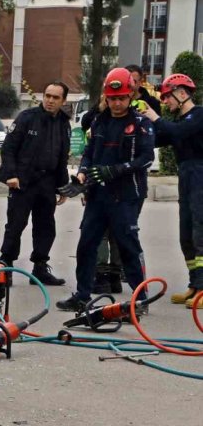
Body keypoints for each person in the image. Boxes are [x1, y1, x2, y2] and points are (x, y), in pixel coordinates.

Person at [57, 68, 155, 312]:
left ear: (130, 96)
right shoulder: (100, 121)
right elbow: (90, 153)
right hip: (98, 195)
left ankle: (140, 297)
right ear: (106, 98)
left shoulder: (141, 123)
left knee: (128, 245)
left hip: (127, 195)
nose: (117, 103)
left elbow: (146, 158)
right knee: (87, 244)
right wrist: (82, 172)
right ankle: (82, 294)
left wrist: (116, 169)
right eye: (113, 99)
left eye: (122, 98)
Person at [0, 81, 72, 286]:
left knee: (46, 226)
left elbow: (62, 157)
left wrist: (63, 185)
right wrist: (11, 175)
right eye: (47, 95)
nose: (50, 100)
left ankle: (40, 267)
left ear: (63, 101)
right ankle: (7, 266)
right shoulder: (27, 118)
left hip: (47, 182)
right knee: (16, 224)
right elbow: (9, 149)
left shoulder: (63, 123)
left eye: (55, 97)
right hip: (23, 181)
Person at [142, 73, 203, 308]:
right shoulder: (179, 123)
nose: (165, 101)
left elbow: (176, 133)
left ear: (181, 93)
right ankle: (195, 285)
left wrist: (155, 117)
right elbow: (160, 137)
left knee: (200, 231)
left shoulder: (198, 115)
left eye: (167, 96)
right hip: (186, 175)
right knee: (186, 232)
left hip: (200, 173)